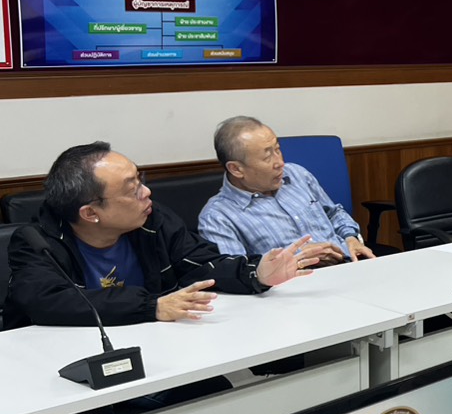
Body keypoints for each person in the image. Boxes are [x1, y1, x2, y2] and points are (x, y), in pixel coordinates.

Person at [3, 142, 311, 329]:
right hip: (66, 361)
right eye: (132, 189)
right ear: (90, 213)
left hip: (153, 344)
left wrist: (255, 272)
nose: (146, 192)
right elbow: (49, 302)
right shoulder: (37, 243)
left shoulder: (151, 220)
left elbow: (200, 263)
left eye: (140, 179)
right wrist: (152, 306)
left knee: (213, 392)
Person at [197, 116, 374, 264]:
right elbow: (238, 274)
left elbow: (333, 213)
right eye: (267, 157)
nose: (280, 162)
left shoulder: (297, 174)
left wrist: (351, 238)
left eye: (278, 150)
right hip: (297, 286)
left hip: (350, 265)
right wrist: (297, 258)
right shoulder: (217, 217)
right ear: (236, 169)